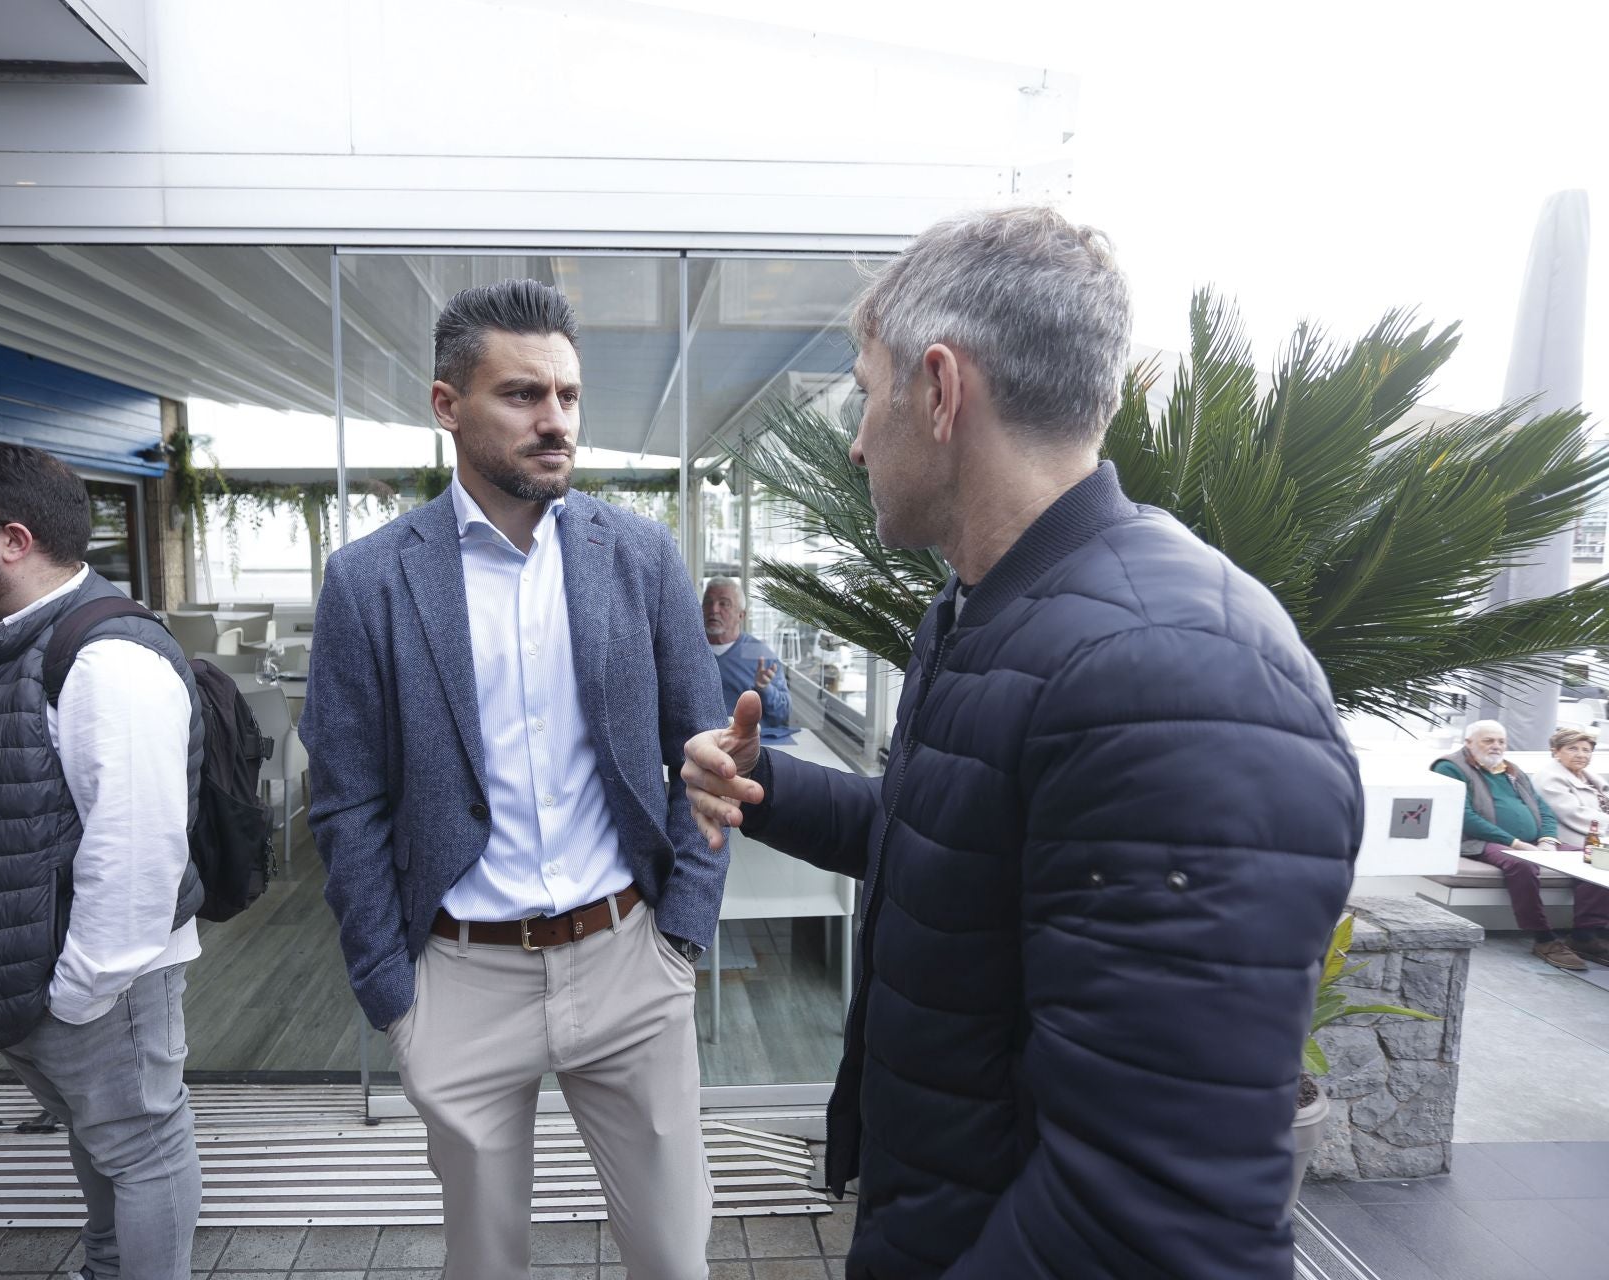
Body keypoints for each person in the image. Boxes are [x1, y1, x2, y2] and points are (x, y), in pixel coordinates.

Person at [680, 207, 1361, 1278]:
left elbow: (1147, 1219)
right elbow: (942, 836)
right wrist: (766, 781)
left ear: (941, 391)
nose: (856, 440)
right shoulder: (989, 609)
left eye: (865, 392)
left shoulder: (1173, 673)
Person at [301, 280, 725, 1279]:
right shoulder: (370, 581)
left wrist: (682, 935)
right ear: (448, 405)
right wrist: (392, 991)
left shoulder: (641, 555)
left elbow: (705, 751)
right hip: (459, 974)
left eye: (569, 397)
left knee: (676, 1258)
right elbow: (347, 801)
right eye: (524, 394)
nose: (556, 420)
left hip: (628, 958)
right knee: (484, 1264)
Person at [0, 442, 205, 1278]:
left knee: (140, 1147)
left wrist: (77, 991)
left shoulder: (109, 661)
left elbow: (139, 851)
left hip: (96, 982)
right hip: (43, 978)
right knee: (101, 1140)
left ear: (11, 538)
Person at [1436, 720, 1609, 969]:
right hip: (1479, 841)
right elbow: (1464, 816)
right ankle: (1543, 937)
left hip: (1531, 842)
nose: (1496, 746)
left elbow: (1543, 808)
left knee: (1595, 857)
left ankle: (1585, 935)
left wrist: (1548, 839)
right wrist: (1515, 843)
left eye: (1501, 741)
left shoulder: (1510, 769)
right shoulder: (1450, 767)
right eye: (1488, 740)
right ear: (1468, 743)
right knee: (1522, 865)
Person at [701, 576, 790, 733]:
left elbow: (783, 714)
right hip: (694, 745)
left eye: (724, 603)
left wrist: (764, 688)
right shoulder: (688, 648)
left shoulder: (758, 654)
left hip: (748, 746)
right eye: (708, 602)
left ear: (741, 615)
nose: (714, 609)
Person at [1536, 727, 1609, 848]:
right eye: (1573, 749)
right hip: (1580, 842)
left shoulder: (1588, 776)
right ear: (1556, 752)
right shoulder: (1549, 778)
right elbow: (1574, 814)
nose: (1581, 755)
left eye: (1586, 750)